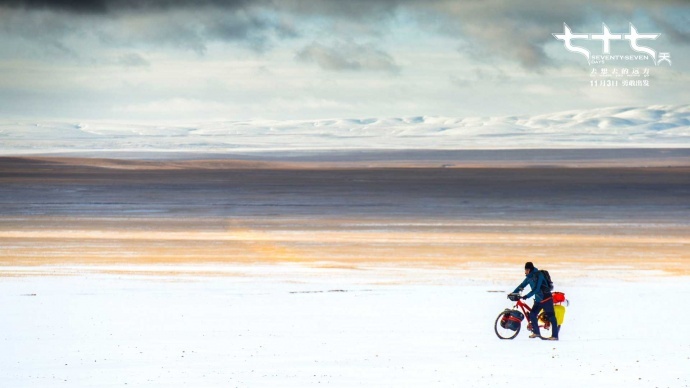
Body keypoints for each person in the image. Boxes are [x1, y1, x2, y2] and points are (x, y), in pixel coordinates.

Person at [512, 262, 559, 341]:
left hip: (546, 298)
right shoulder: (528, 278)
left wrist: (527, 296)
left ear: (531, 269)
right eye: (525, 270)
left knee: (551, 317)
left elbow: (536, 289)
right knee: (532, 314)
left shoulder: (539, 275)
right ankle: (536, 332)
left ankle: (555, 336)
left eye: (527, 270)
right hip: (538, 300)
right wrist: (513, 293)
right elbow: (521, 286)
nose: (526, 272)